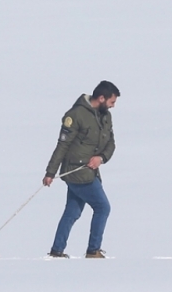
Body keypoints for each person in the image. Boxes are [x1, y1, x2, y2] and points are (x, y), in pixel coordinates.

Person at [43, 81, 120, 258]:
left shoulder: (105, 116)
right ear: (101, 98)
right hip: (77, 172)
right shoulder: (75, 115)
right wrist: (50, 172)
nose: (113, 106)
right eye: (111, 102)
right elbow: (62, 145)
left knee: (72, 211)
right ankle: (93, 250)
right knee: (103, 207)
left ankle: (56, 251)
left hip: (90, 171)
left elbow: (111, 142)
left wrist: (100, 158)